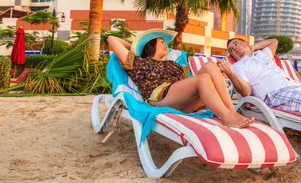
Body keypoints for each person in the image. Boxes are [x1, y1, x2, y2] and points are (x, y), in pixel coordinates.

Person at [107, 29, 254, 128]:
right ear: (150, 46)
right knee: (202, 78)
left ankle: (231, 112)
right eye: (162, 42)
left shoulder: (172, 64)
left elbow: (189, 83)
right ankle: (227, 117)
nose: (166, 46)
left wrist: (217, 70)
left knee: (210, 66)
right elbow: (111, 39)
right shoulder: (138, 63)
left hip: (182, 101)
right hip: (160, 98)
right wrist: (136, 49)